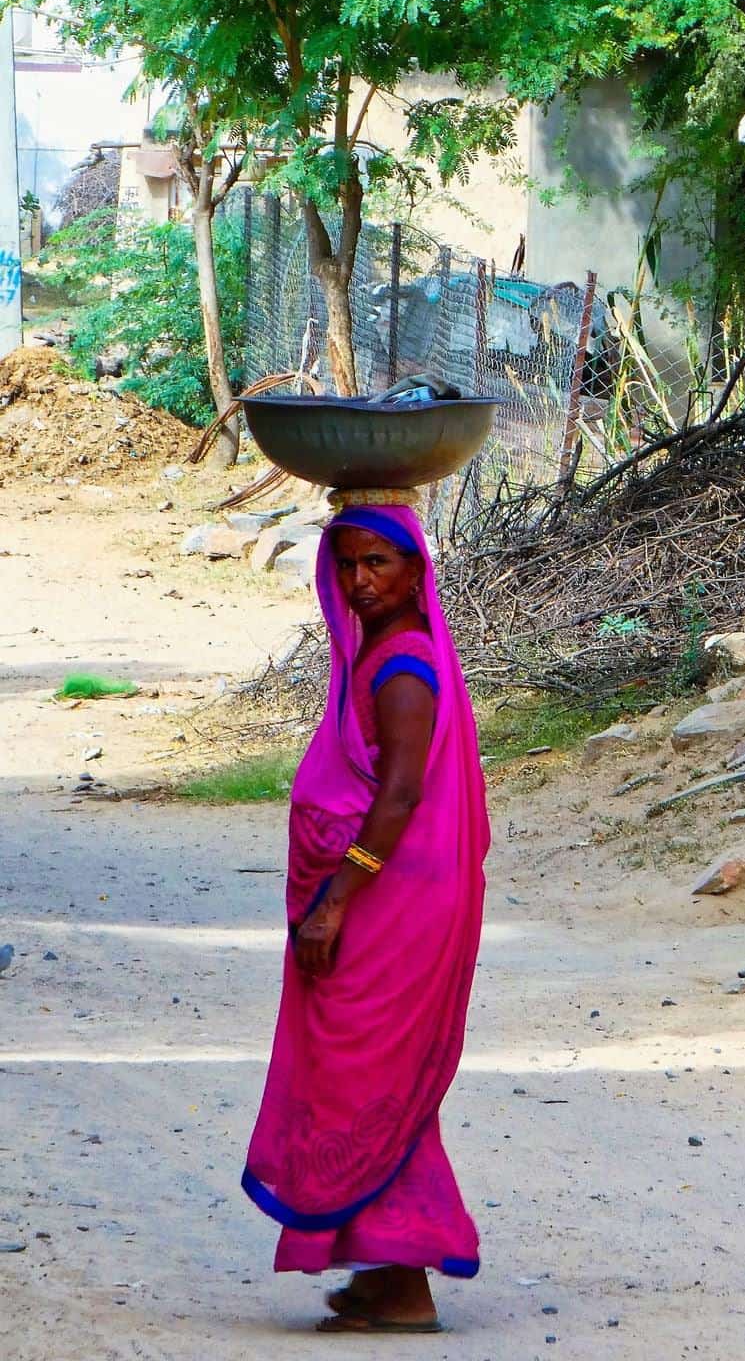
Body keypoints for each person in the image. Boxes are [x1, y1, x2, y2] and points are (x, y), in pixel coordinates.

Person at [242, 499, 490, 1335]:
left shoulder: (405, 670)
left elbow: (401, 793)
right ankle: (388, 1270)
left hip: (394, 903)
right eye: (346, 563)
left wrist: (337, 900)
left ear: (414, 569)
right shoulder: (372, 652)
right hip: (378, 895)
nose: (359, 581)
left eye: (376, 564)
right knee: (364, 1075)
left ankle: (408, 1277)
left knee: (371, 1073)